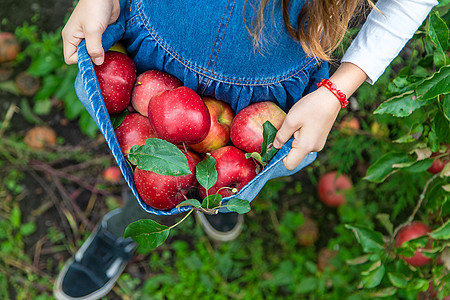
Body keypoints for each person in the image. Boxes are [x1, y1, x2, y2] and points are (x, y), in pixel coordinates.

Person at [54, 0, 438, 299]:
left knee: (238, 170)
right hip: (154, 57)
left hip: (266, 94)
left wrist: (339, 91)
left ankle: (212, 197)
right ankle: (124, 228)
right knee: (150, 173)